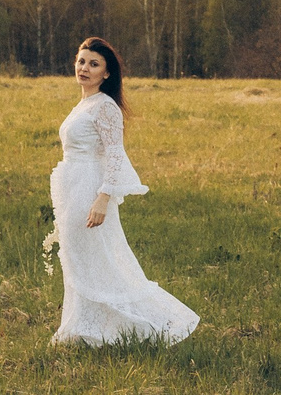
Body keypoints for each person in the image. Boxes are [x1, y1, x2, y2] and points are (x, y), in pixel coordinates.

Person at [49, 37, 199, 347]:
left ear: (106, 73)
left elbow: (115, 155)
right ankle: (80, 330)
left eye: (94, 64)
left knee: (99, 261)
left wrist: (103, 199)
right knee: (78, 259)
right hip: (72, 186)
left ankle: (153, 324)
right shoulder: (84, 104)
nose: (84, 68)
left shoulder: (105, 107)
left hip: (90, 189)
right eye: (81, 61)